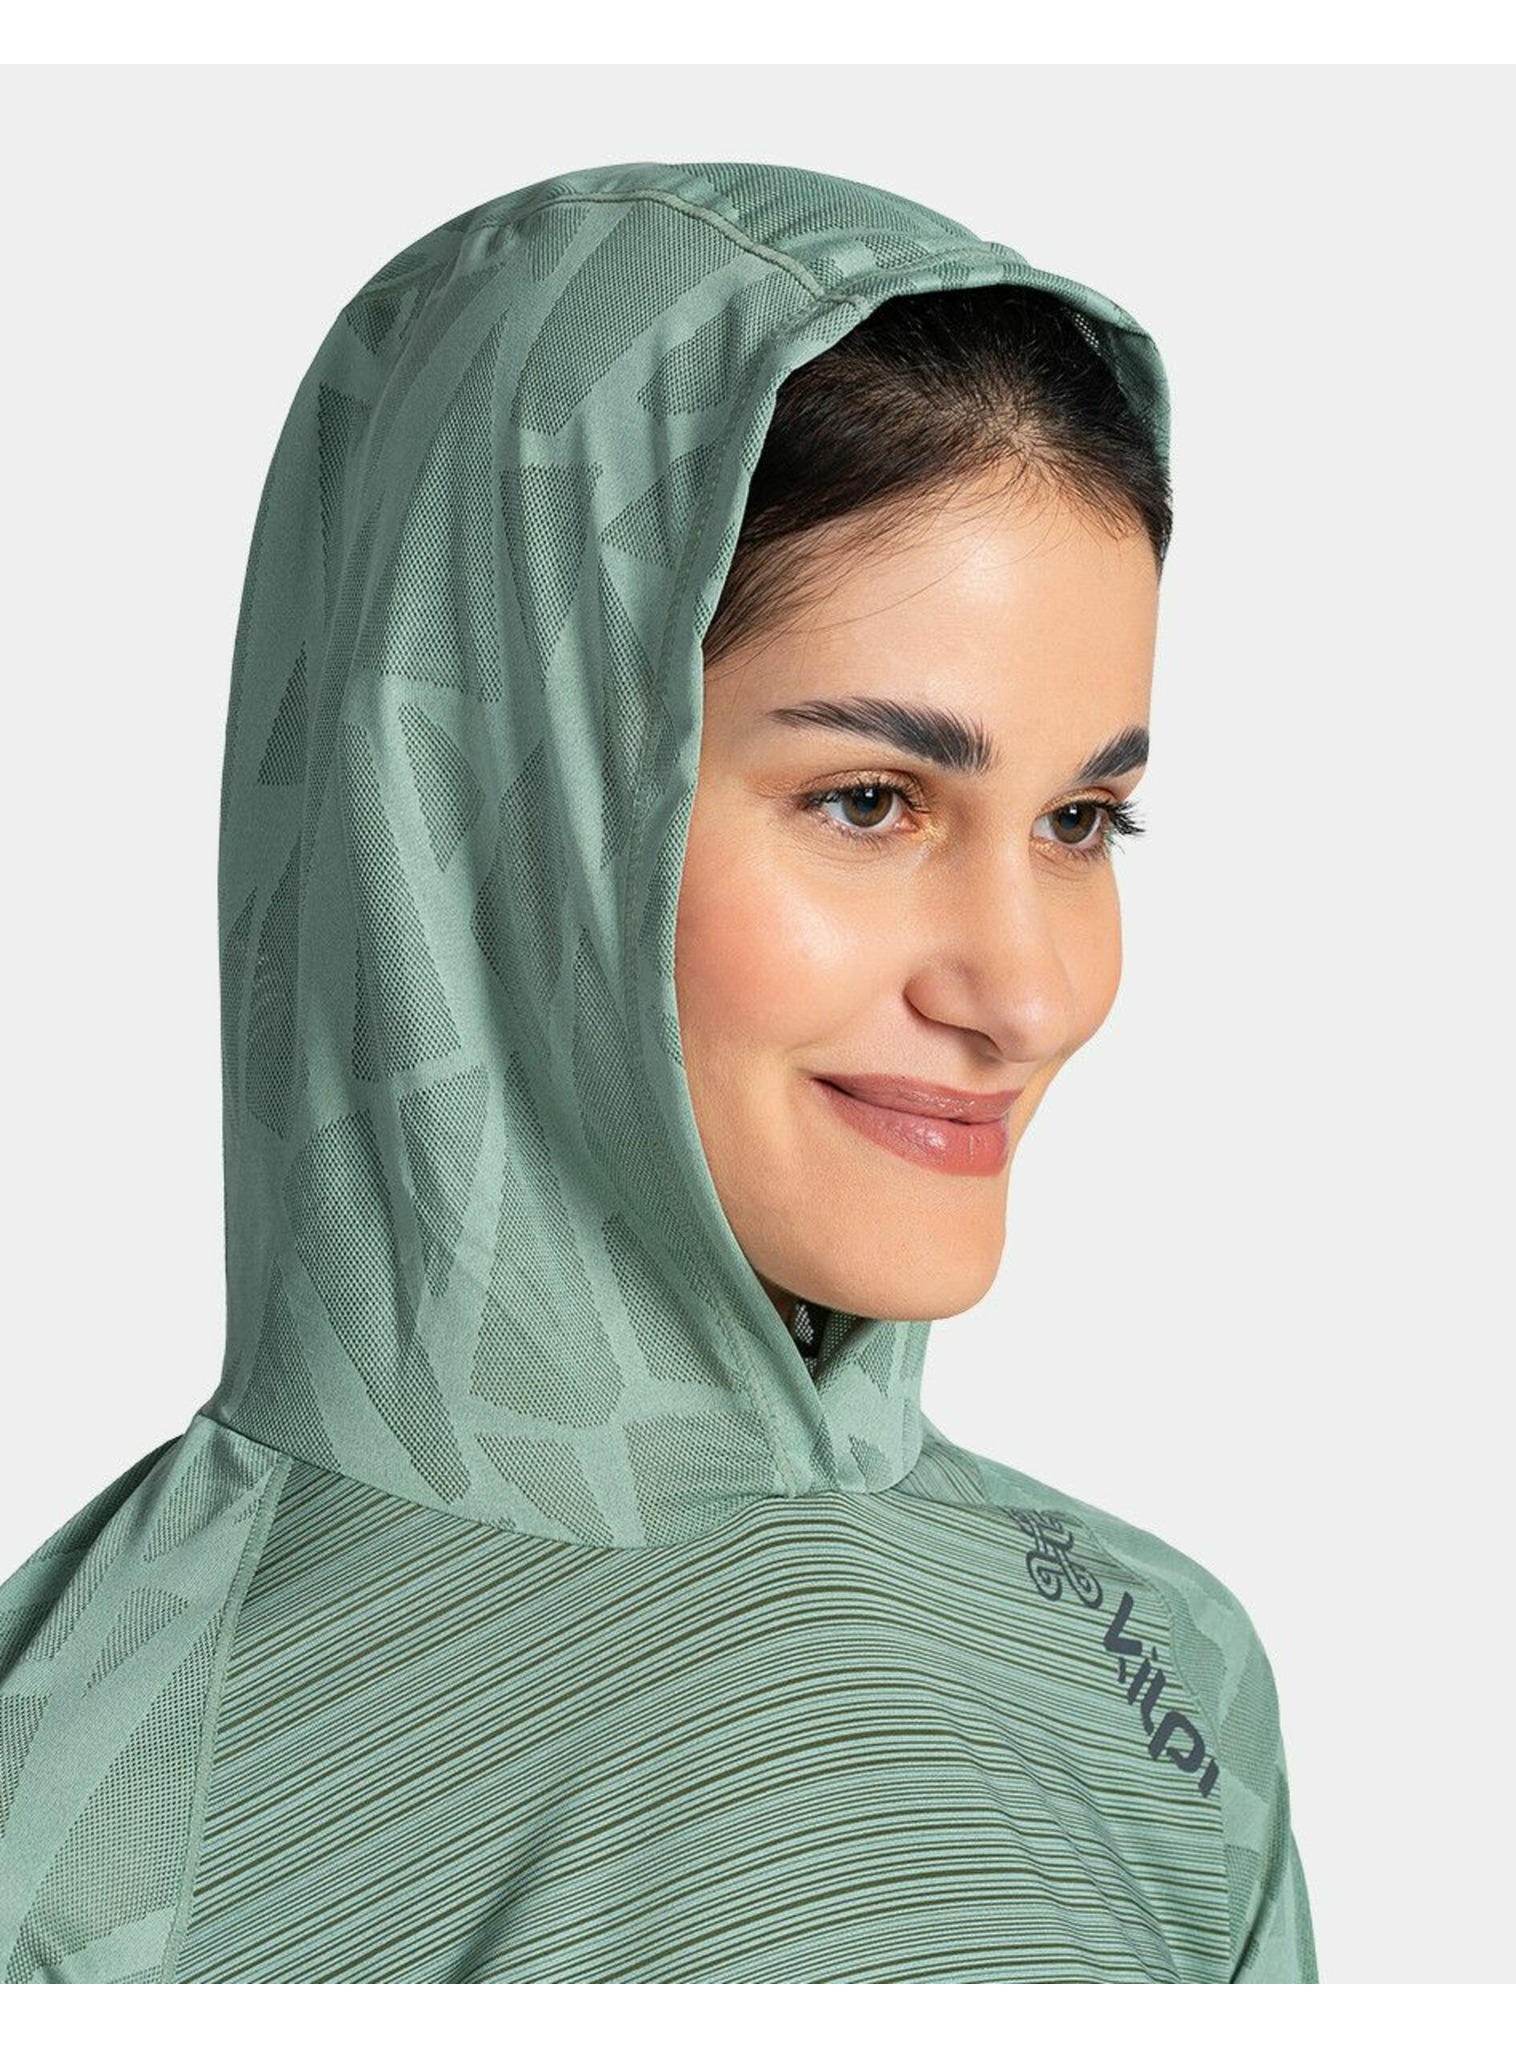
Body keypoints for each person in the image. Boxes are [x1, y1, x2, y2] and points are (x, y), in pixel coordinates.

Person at [0, 158, 1317, 1983]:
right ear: (489, 800)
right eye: (870, 801)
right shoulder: (92, 1831)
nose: (1030, 995)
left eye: (1083, 820)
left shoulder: (1163, 1678)